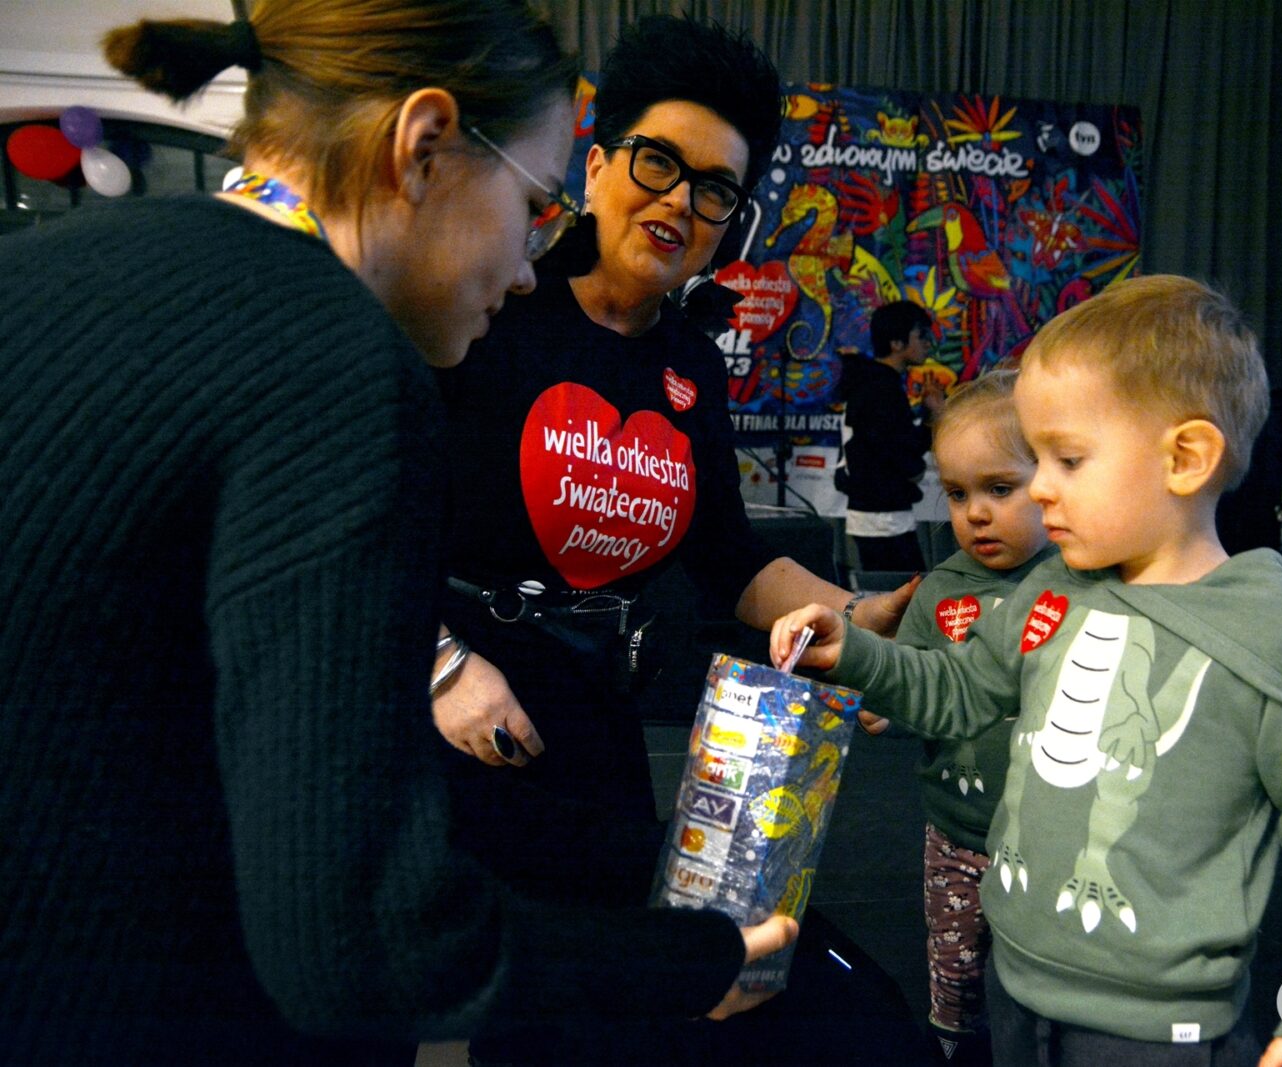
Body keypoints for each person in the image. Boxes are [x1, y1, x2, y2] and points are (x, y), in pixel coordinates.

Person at [0, 5, 796, 1065]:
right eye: (531, 204)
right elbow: (359, 939)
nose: (526, 266)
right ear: (423, 146)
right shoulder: (342, 366)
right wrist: (691, 962)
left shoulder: (52, 270)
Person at [429, 13, 917, 1065]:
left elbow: (727, 553)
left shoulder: (689, 364)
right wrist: (442, 667)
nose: (679, 203)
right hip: (463, 724)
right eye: (658, 162)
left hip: (597, 723)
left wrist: (856, 617)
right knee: (513, 998)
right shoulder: (495, 307)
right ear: (597, 164)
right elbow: (370, 515)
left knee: (610, 1013)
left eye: (714, 189)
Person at [774, 275, 1282, 1067]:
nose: (1040, 486)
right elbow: (960, 689)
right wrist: (856, 650)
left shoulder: (1273, 636)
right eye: (1038, 459)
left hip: (1155, 1032)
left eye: (1068, 459)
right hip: (1016, 983)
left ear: (1186, 458)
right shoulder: (1053, 590)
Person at [891, 369, 1053, 1066]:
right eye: (957, 494)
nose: (975, 513)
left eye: (1000, 489)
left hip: (1050, 839)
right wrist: (883, 707)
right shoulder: (941, 588)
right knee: (955, 976)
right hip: (955, 832)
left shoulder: (1080, 583)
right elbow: (907, 679)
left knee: (1038, 987)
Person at [836, 300, 943, 573]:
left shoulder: (872, 382)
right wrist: (932, 417)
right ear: (896, 343)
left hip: (876, 511)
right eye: (921, 335)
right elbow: (899, 453)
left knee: (897, 588)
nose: (928, 343)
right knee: (904, 590)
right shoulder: (881, 389)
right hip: (883, 516)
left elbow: (890, 442)